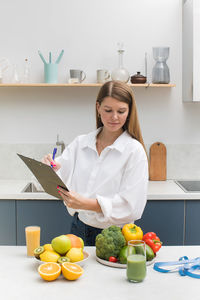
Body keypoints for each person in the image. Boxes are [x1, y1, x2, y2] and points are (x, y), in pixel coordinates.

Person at [42, 80, 148, 246]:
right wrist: (49, 168)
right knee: (75, 272)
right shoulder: (80, 143)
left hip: (116, 235)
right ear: (98, 108)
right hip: (78, 227)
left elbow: (132, 206)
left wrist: (87, 204)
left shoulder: (134, 151)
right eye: (108, 110)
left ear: (129, 112)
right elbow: (57, 179)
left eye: (121, 111)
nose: (114, 117)